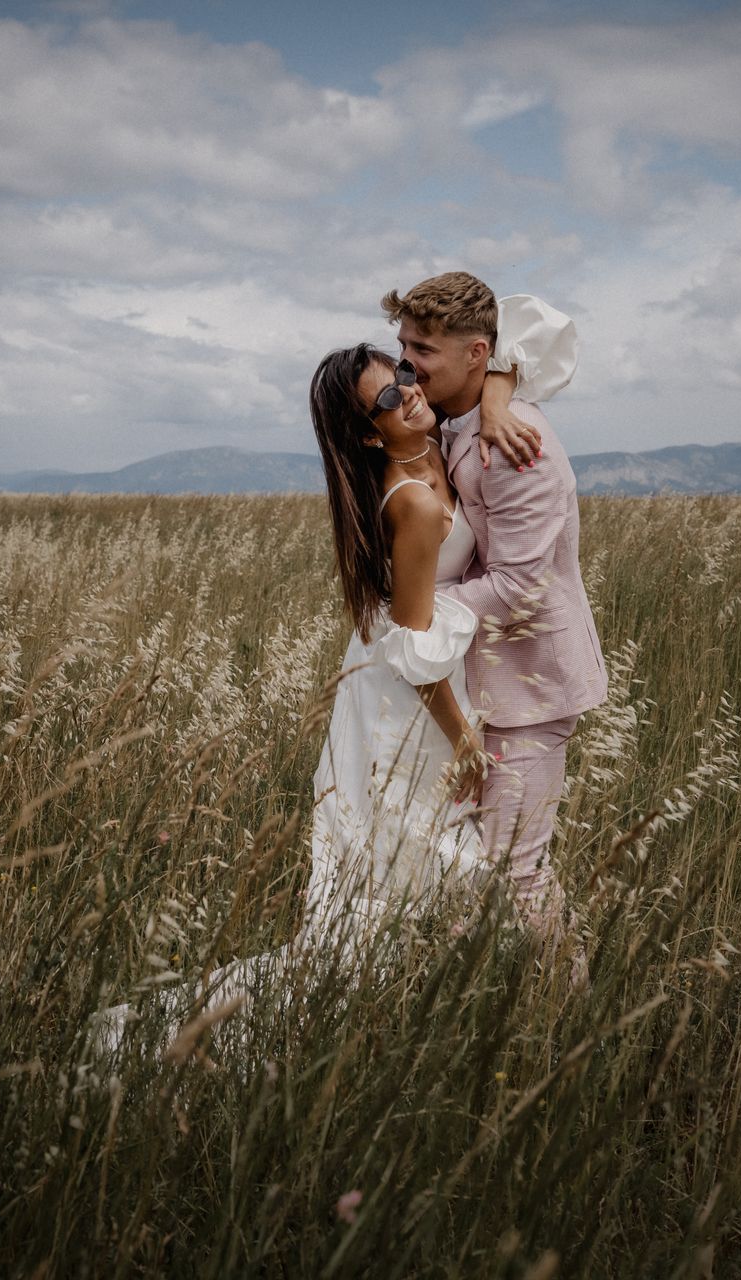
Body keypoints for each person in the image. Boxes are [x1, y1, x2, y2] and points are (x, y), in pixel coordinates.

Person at [91, 299, 575, 1054]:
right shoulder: (413, 501)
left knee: (425, 879)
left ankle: (434, 1018)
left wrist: (501, 390)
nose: (410, 390)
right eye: (389, 395)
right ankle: (245, 1033)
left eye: (408, 374)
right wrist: (466, 740)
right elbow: (414, 651)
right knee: (423, 880)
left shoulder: (440, 444)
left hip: (409, 686)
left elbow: (518, 330)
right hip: (408, 703)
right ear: (365, 430)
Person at [385, 271, 607, 985]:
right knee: (467, 873)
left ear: (478, 354)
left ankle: (568, 1015)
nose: (406, 363)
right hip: (477, 687)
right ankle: (484, 1002)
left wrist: (417, 617)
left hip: (530, 691)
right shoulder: (460, 418)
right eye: (403, 344)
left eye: (424, 348)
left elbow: (517, 585)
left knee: (517, 873)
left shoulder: (518, 447)